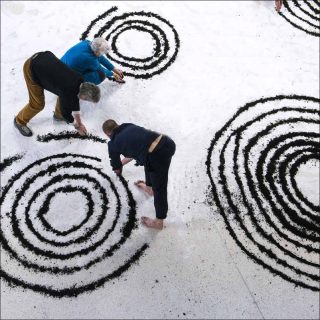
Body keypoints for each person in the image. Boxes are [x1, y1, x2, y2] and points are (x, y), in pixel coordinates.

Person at [102, 119, 176, 230]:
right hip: (167, 142)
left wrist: (118, 170)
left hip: (157, 155)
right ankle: (149, 188)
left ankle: (159, 222)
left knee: (160, 188)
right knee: (147, 160)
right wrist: (121, 163)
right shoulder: (128, 126)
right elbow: (136, 150)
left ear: (107, 134)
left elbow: (116, 167)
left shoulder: (113, 144)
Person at [14, 51, 100, 137]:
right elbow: (66, 113)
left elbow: (75, 100)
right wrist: (77, 126)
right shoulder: (68, 90)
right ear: (84, 96)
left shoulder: (80, 80)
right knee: (37, 104)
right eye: (85, 99)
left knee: (64, 95)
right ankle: (19, 121)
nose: (83, 100)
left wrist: (79, 122)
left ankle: (58, 116)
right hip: (31, 67)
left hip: (44, 57)